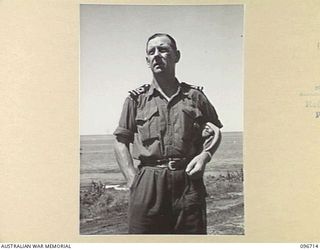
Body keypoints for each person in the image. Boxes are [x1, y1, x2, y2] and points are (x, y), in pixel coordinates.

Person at [113, 33, 223, 234]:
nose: (156, 55)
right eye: (151, 52)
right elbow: (121, 141)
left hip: (188, 182)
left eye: (163, 50)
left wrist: (205, 156)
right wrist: (132, 180)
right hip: (148, 183)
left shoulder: (195, 97)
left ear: (176, 56)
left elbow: (215, 131)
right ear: (147, 60)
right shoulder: (136, 100)